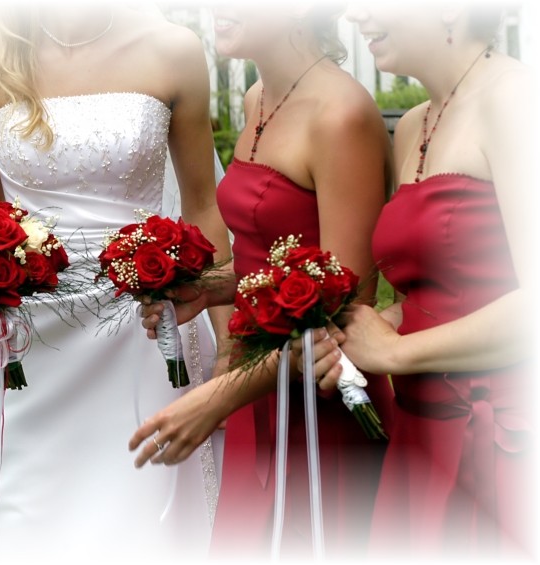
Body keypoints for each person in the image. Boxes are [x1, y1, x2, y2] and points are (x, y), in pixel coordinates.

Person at [0, 1, 233, 560]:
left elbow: (203, 209)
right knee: (25, 506)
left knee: (142, 504)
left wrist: (228, 342)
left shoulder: (173, 50)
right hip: (30, 337)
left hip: (147, 323)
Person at [131, 2, 394, 560]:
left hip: (320, 406)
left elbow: (345, 313)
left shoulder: (341, 114)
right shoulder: (257, 97)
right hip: (262, 384)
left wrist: (215, 399)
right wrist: (214, 287)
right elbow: (274, 256)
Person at [340, 3, 534, 558]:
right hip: (418, 430)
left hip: (495, 442)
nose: (355, 15)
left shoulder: (516, 100)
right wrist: (362, 329)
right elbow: (433, 294)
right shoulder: (416, 125)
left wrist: (395, 354)